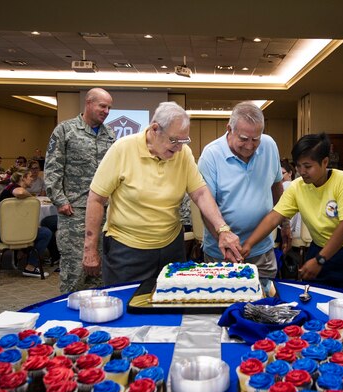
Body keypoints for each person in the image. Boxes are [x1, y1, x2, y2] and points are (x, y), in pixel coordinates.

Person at [83, 101, 243, 286]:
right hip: (127, 250)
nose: (179, 148)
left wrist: (222, 229)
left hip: (171, 247)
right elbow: (96, 199)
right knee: (129, 305)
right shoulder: (123, 149)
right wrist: (90, 249)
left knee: (171, 303)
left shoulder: (182, 154)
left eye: (184, 141)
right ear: (155, 129)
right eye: (174, 141)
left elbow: (200, 193)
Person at [241, 133, 343, 296]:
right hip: (318, 249)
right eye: (298, 166)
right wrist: (248, 244)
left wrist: (321, 259)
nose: (302, 171)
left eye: (307, 166)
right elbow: (274, 217)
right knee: (316, 302)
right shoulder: (298, 187)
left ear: (325, 162)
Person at [197, 102, 290, 293]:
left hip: (261, 248)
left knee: (263, 303)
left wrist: (285, 223)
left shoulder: (269, 145)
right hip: (221, 252)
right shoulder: (211, 155)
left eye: (255, 140)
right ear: (229, 129)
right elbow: (206, 208)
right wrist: (223, 239)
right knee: (221, 305)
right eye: (244, 139)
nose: (250, 146)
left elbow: (276, 187)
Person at [44, 88, 115, 293]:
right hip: (75, 211)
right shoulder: (66, 130)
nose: (106, 111)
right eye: (103, 106)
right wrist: (60, 201)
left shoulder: (109, 135)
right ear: (89, 103)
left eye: (109, 107)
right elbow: (52, 168)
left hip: (103, 212)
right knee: (75, 269)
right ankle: (68, 318)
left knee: (100, 271)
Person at [0, 168, 51, 278]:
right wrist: (31, 196)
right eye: (30, 177)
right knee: (46, 233)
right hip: (0, 232)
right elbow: (20, 192)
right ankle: (30, 266)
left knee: (42, 231)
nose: (32, 180)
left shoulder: (11, 188)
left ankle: (24, 257)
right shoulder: (12, 187)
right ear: (23, 178)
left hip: (10, 231)